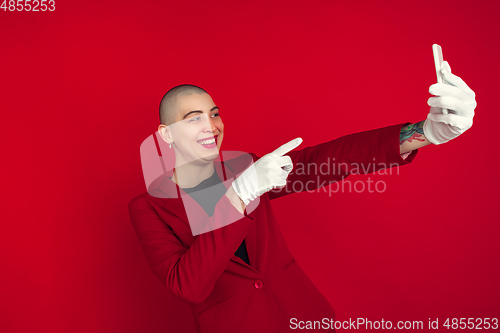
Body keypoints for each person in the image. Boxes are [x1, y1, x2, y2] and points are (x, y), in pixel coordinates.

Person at [128, 60, 476, 333]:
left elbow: (322, 162)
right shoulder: (148, 208)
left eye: (214, 114)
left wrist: (424, 133)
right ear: (166, 135)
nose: (211, 126)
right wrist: (238, 195)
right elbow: (188, 285)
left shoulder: (248, 166)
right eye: (194, 119)